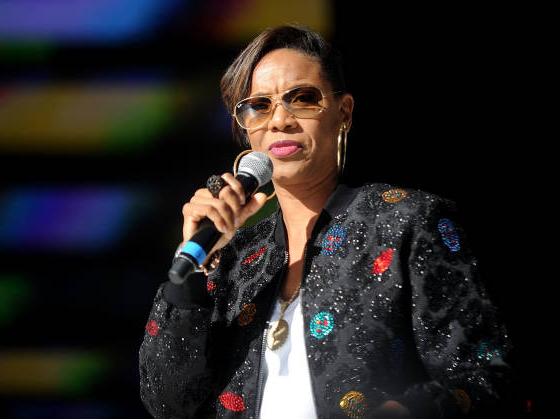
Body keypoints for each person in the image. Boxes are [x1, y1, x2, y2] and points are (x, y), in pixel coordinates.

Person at [139, 24, 514, 419]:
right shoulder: (230, 258)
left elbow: (489, 381)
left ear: (344, 113)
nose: (279, 121)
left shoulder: (405, 222)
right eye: (259, 106)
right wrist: (195, 270)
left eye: (303, 98)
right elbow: (167, 403)